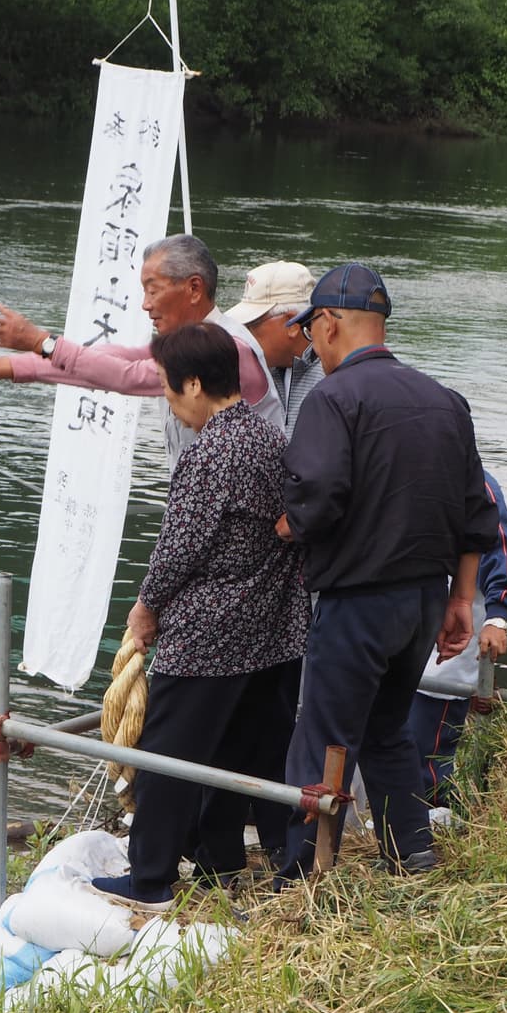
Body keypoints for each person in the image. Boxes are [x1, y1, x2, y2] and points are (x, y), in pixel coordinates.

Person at [274, 263, 499, 881]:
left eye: (312, 333)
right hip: (424, 601)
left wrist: (291, 523)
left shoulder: (334, 398)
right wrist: (461, 599)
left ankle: (298, 878)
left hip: (358, 602)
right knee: (386, 728)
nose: (312, 349)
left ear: (328, 323)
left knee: (323, 737)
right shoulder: (444, 400)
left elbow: (317, 494)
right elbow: (475, 513)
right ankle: (412, 854)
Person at [88, 323, 309, 912]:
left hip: (210, 631)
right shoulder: (269, 437)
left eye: (167, 387)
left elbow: (179, 547)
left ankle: (151, 879)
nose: (167, 400)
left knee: (167, 754)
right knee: (257, 750)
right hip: (273, 625)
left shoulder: (210, 452)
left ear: (193, 383)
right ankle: (266, 865)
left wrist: (145, 608)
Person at [0, 234, 285, 469]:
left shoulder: (227, 349)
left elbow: (126, 377)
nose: (145, 305)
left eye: (153, 290)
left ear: (194, 288)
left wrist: (42, 341)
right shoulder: (192, 342)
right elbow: (115, 359)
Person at [409, 470, 507, 806]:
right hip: (399, 637)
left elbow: (501, 552)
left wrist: (498, 617)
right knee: (388, 743)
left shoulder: (476, 483)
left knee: (427, 753)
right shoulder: (400, 465)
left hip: (446, 654)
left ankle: (426, 825)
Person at [224, 261, 324, 437]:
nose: (243, 334)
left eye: (252, 324)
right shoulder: (257, 368)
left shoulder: (332, 377)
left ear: (292, 324)